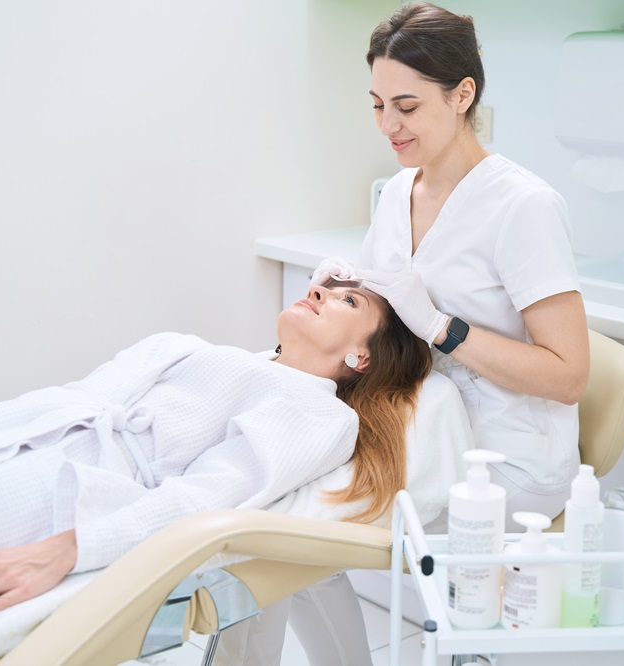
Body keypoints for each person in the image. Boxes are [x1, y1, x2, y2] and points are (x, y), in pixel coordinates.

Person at [217, 3, 590, 663]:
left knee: (284, 529)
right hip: (409, 421)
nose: (389, 125)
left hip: (500, 456)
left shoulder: (522, 207)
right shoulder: (396, 192)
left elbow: (568, 376)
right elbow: (386, 320)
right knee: (279, 518)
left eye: (408, 107)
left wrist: (443, 328)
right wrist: (348, 288)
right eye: (378, 105)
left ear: (463, 93)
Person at [0, 283, 431, 621]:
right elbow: (80, 398)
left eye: (346, 301)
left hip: (57, 486)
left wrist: (71, 549)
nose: (320, 290)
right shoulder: (187, 347)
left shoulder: (315, 412)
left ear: (361, 358)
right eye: (325, 286)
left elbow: (206, 497)